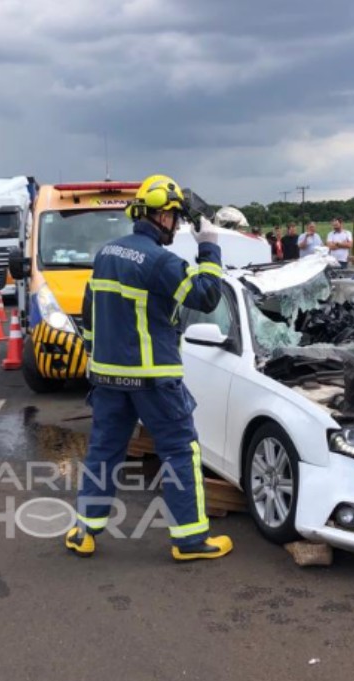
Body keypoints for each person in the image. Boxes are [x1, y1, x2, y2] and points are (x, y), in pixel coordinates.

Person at [70, 174, 232, 561]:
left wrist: (96, 352)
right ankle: (190, 540)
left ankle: (84, 532)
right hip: (153, 379)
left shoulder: (106, 253)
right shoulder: (160, 261)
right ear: (161, 217)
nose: (176, 225)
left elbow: (89, 310)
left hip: (108, 377)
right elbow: (207, 297)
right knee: (179, 452)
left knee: (104, 452)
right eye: (175, 218)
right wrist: (209, 250)